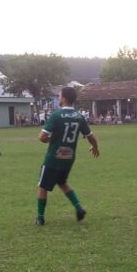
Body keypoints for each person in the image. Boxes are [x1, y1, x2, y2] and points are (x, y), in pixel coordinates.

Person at [35, 86, 99, 226]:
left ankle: (40, 218)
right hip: (69, 158)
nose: (58, 98)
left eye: (59, 96)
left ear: (63, 98)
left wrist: (51, 140)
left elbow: (42, 137)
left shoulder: (56, 115)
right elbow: (90, 136)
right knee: (62, 183)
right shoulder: (79, 116)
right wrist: (95, 147)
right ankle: (79, 208)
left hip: (53, 158)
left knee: (43, 187)